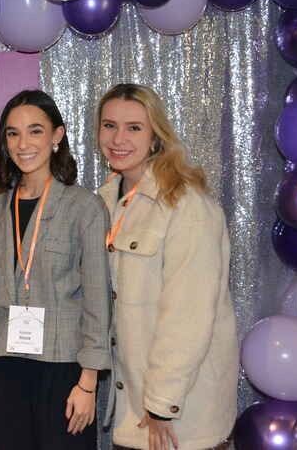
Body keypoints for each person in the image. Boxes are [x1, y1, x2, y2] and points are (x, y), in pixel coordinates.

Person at [96, 84, 239, 450]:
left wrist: (161, 405)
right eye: (109, 125)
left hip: (178, 417)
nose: (118, 138)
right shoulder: (105, 201)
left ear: (156, 135)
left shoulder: (186, 205)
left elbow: (188, 316)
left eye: (134, 127)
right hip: (130, 411)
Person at [0, 90, 111, 450]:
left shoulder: (84, 207)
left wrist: (87, 384)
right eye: (12, 133)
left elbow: (99, 300)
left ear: (57, 136)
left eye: (35, 131)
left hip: (63, 367)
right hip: (7, 366)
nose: (22, 143)